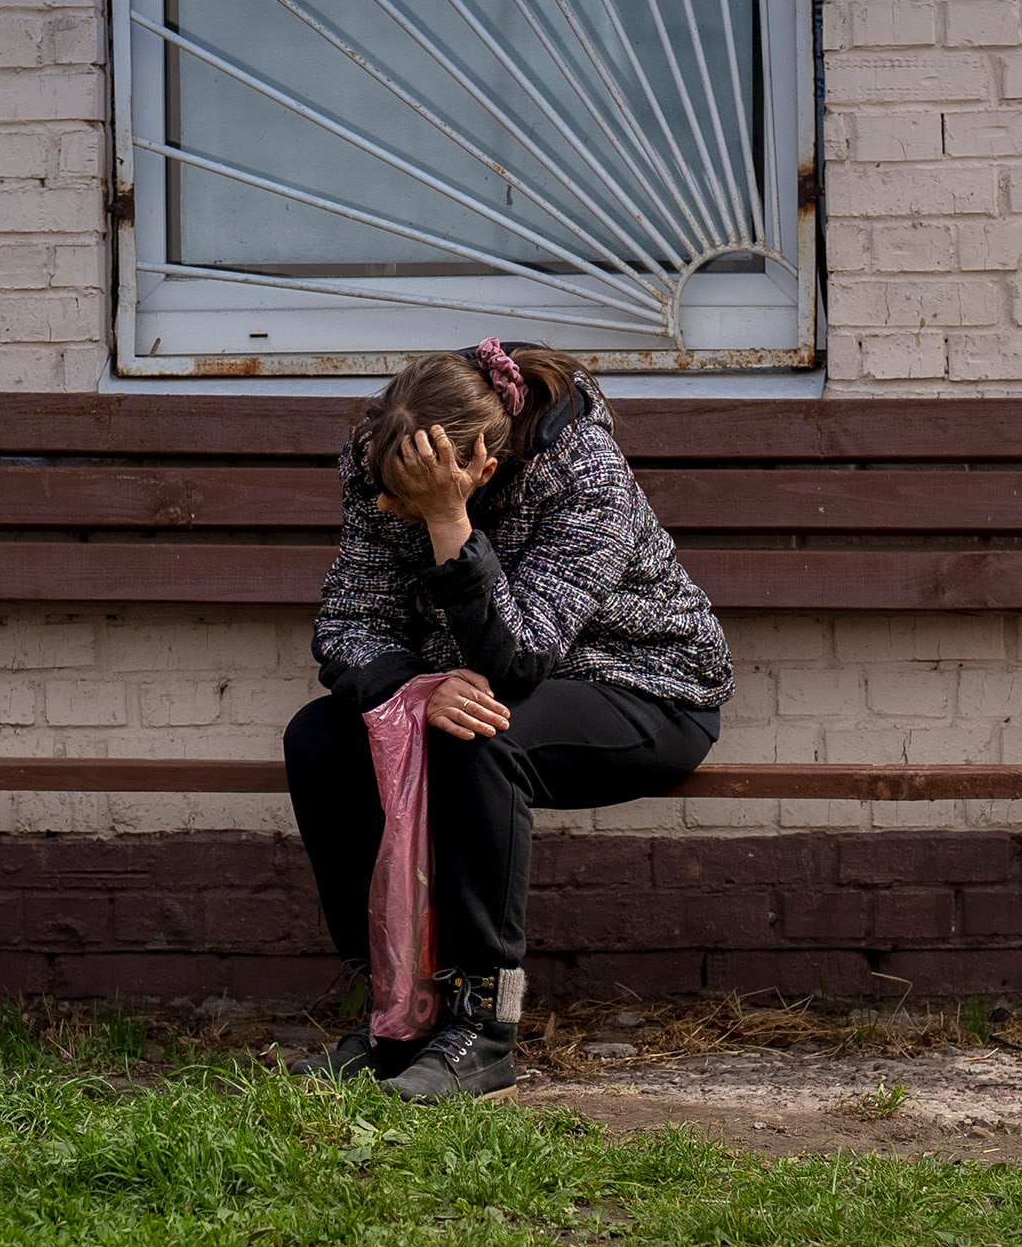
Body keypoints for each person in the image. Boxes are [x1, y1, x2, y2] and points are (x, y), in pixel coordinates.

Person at [282, 339, 730, 1099]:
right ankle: (399, 1011)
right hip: (471, 680)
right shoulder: (384, 461)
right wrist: (421, 687)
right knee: (320, 738)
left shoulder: (585, 472)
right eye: (389, 498)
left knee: (483, 736)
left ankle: (483, 1028)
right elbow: (349, 623)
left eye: (412, 499)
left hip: (645, 684)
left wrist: (448, 522)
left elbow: (522, 656)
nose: (392, 509)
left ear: (482, 466)